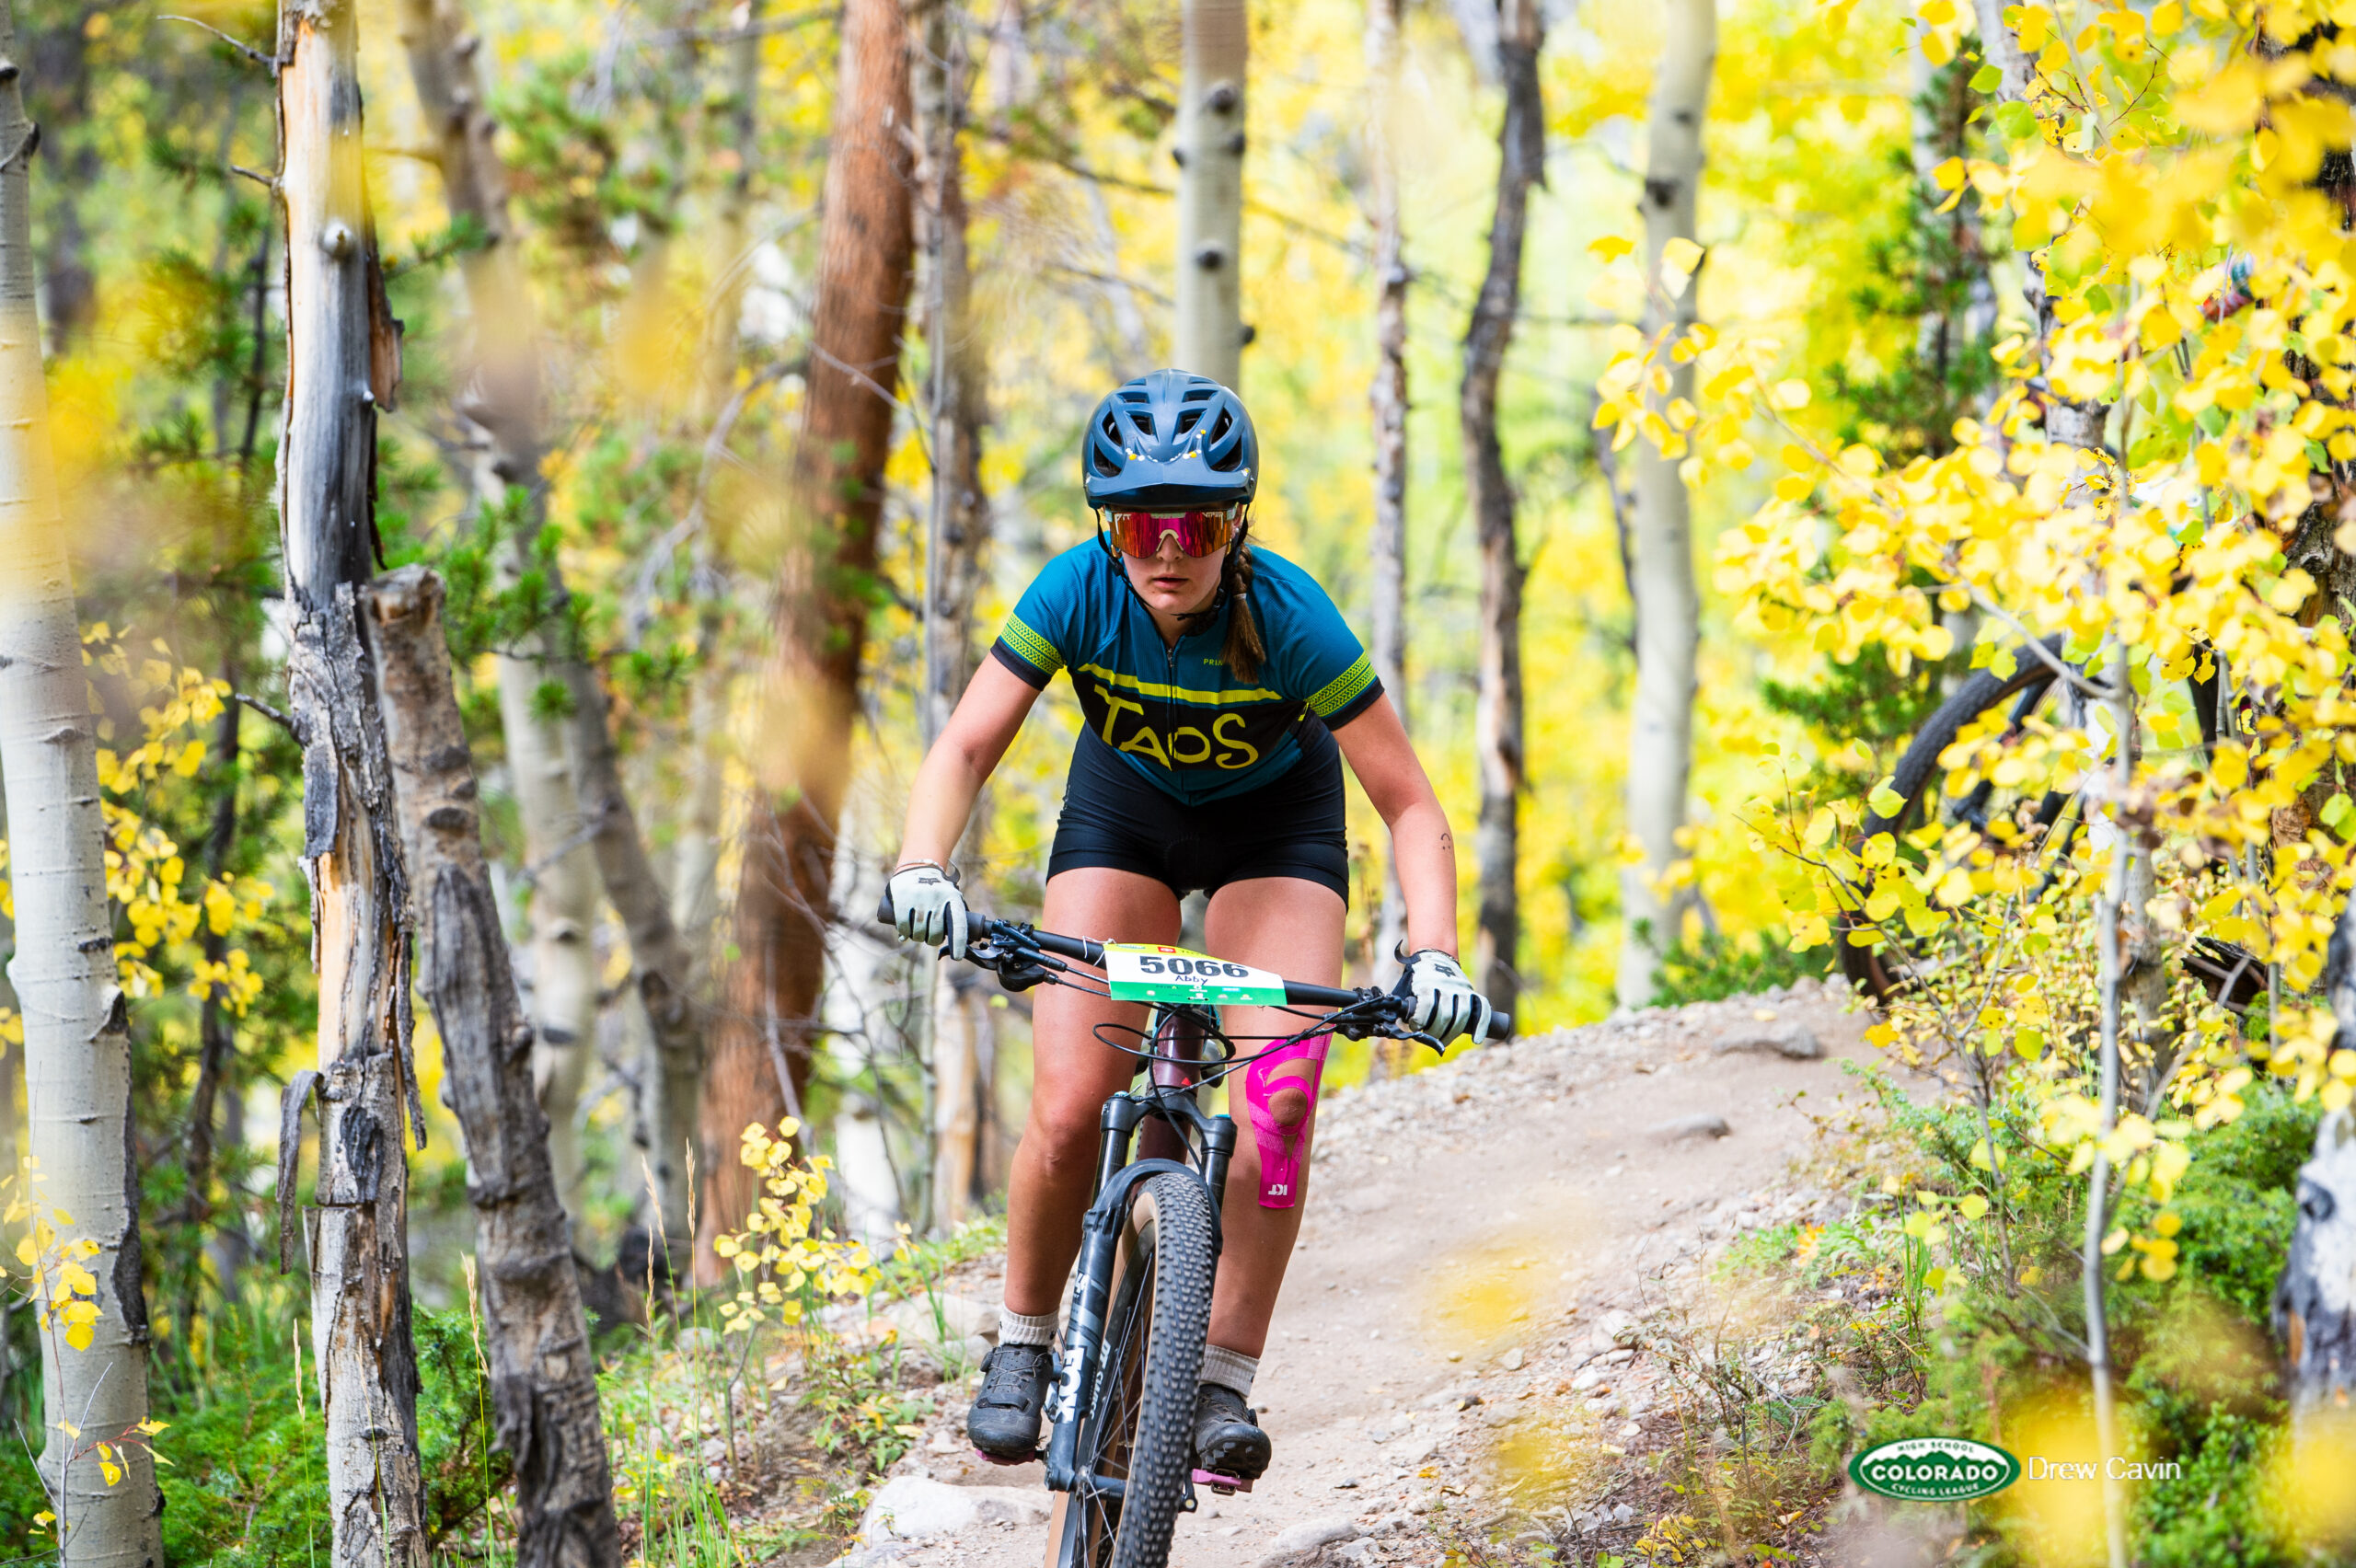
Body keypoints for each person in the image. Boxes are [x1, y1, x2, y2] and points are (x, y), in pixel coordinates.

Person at [885, 369, 1493, 1481]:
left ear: (1236, 525)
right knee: (1070, 1105)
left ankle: (1218, 1380)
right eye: (1140, 525)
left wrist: (1435, 953)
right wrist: (922, 865)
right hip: (1124, 819)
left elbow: (1409, 803)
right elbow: (965, 744)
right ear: (1106, 531)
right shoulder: (1075, 591)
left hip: (1276, 833)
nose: (1168, 550)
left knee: (1278, 1109)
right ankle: (1023, 1344)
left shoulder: (1292, 617)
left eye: (1197, 524)